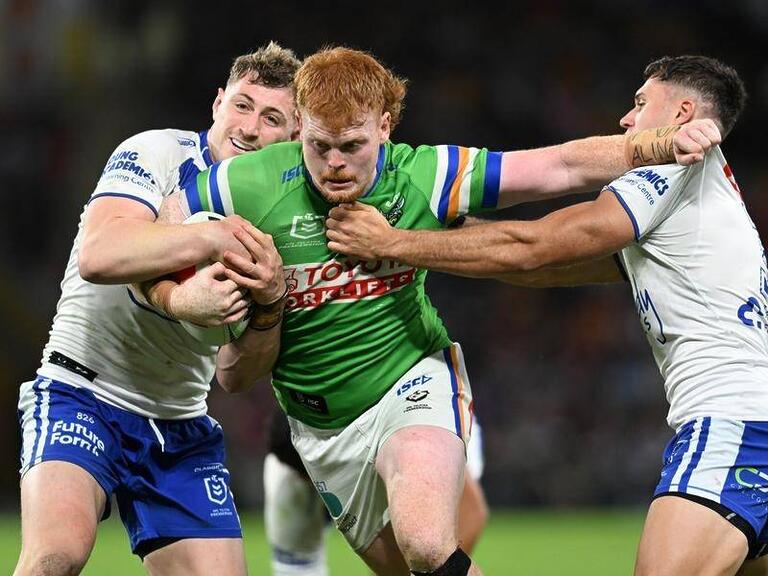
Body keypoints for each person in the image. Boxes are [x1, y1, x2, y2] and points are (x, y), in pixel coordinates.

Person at [145, 47, 720, 575]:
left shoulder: (424, 173)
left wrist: (657, 144)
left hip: (412, 379)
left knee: (427, 540)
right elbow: (154, 237)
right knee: (412, 570)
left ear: (385, 129)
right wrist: (173, 293)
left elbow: (559, 167)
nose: (336, 165)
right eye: (320, 146)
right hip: (322, 428)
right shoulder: (244, 184)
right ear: (301, 130)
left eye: (354, 146)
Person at [325, 55, 767, 576]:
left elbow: (538, 245)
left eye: (641, 103)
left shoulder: (673, 167)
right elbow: (549, 272)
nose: (627, 120)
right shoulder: (707, 202)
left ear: (683, 111)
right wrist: (430, 234)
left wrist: (392, 240)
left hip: (734, 423)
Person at [15, 42, 300, 576]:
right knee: (56, 556)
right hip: (83, 393)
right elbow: (101, 255)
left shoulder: (282, 224)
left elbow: (236, 376)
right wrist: (213, 239)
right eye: (242, 104)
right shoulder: (157, 153)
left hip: (180, 422)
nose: (251, 126)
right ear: (217, 103)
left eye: (272, 117)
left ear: (294, 135)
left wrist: (268, 308)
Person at [263, 407, 488, 575]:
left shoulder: (408, 440)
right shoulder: (287, 481)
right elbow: (299, 570)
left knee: (428, 543)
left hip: (433, 420)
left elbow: (472, 514)